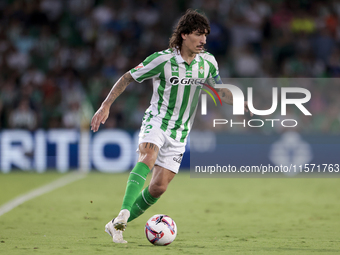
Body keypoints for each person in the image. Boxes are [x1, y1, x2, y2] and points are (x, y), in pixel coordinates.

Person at [91, 9, 250, 243]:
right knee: (148, 157)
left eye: (206, 35)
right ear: (184, 35)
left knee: (159, 187)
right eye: (199, 34)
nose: (204, 40)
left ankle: (114, 224)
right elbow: (127, 77)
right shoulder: (162, 59)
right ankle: (123, 215)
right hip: (157, 121)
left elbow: (219, 90)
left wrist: (238, 100)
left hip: (180, 132)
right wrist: (106, 105)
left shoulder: (208, 62)